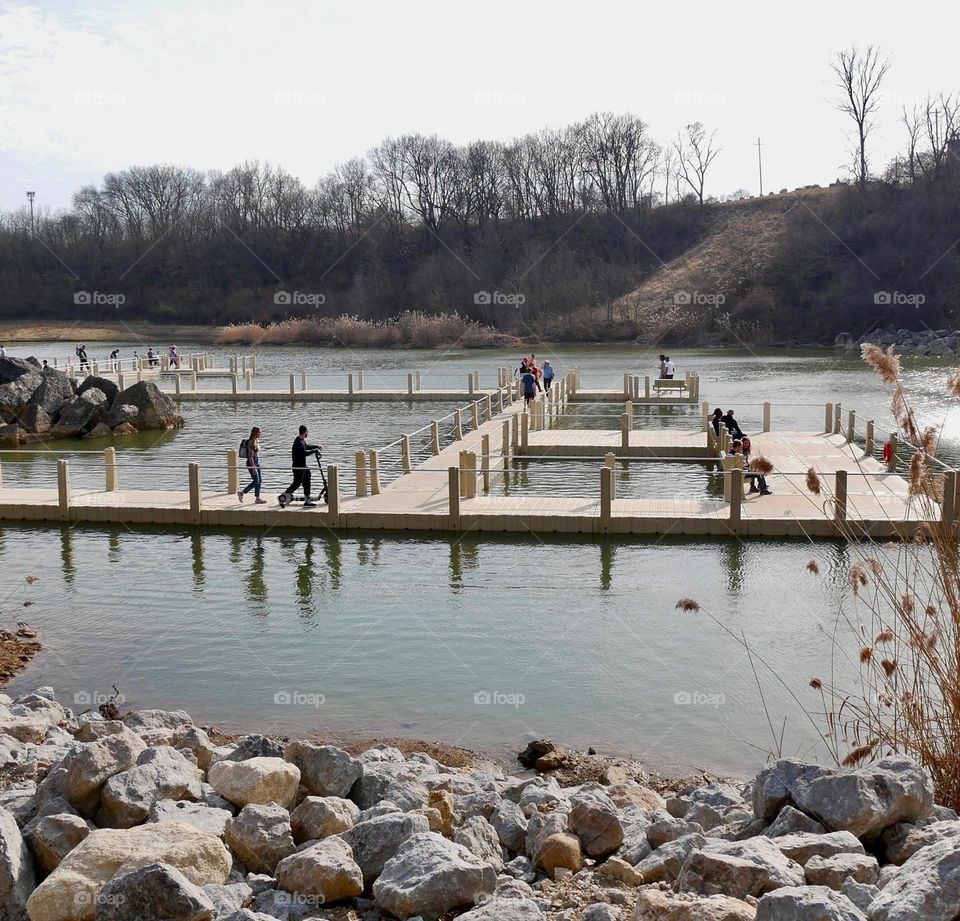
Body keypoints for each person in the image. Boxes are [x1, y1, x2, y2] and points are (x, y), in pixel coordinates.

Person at [281, 425, 320, 508]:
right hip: (298, 467)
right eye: (307, 432)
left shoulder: (301, 440)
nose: (307, 433)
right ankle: (283, 497)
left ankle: (307, 500)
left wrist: (316, 446)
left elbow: (307, 447)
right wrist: (314, 451)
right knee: (297, 483)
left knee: (307, 480)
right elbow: (304, 453)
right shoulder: (298, 442)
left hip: (303, 466)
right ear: (305, 432)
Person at [238, 426, 266, 504]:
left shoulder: (256, 440)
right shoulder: (251, 442)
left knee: (259, 481)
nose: (261, 434)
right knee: (256, 481)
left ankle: (257, 498)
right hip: (251, 463)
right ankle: (241, 493)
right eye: (260, 432)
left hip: (257, 462)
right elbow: (250, 456)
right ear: (256, 433)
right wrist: (253, 466)